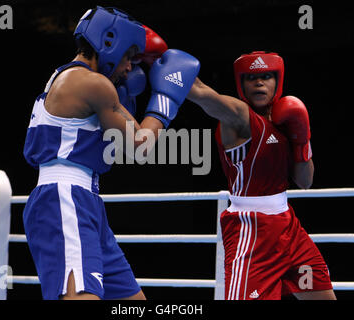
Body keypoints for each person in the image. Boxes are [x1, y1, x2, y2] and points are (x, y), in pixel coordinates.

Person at [22, 6, 200, 300]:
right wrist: (167, 96)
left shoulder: (68, 78)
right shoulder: (92, 83)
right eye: (129, 56)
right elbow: (141, 144)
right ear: (109, 42)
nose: (130, 67)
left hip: (85, 202)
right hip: (65, 200)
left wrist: (127, 97)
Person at [187, 51, 336, 300]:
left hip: (289, 228)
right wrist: (159, 59)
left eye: (266, 76)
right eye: (251, 77)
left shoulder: (284, 122)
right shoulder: (238, 116)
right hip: (251, 231)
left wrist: (301, 140)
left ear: (277, 81)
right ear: (241, 84)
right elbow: (203, 94)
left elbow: (305, 181)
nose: (259, 82)